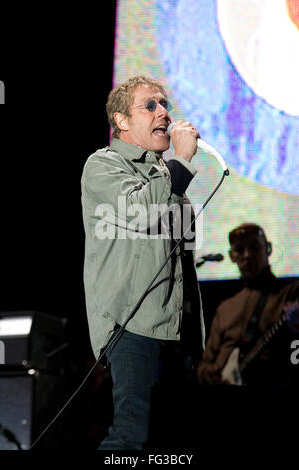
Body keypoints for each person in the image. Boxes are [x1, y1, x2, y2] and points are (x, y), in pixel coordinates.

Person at [81, 75, 205, 450]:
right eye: (150, 105)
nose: (163, 113)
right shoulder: (103, 165)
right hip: (133, 325)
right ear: (121, 121)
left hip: (177, 333)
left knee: (171, 444)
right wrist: (180, 161)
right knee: (132, 438)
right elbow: (139, 211)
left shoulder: (167, 180)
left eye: (164, 104)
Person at [197, 222, 299, 386]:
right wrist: (212, 374)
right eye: (240, 250)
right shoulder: (225, 308)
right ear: (232, 256)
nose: (247, 255)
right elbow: (204, 365)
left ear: (268, 249)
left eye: (254, 247)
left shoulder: (290, 293)